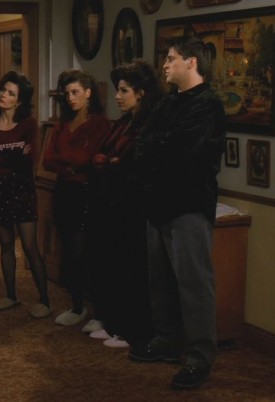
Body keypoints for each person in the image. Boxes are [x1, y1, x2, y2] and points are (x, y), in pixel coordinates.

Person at [128, 37, 226, 390]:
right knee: (161, 280)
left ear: (192, 62)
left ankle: (199, 357)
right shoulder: (168, 104)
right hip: (158, 204)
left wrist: (158, 145)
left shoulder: (208, 105)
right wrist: (158, 145)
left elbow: (185, 152)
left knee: (194, 284)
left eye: (171, 58)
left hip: (188, 205)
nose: (165, 65)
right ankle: (166, 340)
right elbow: (141, 142)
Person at [86, 60, 163, 349]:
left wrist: (110, 163)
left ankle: (134, 331)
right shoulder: (123, 122)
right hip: (112, 204)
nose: (117, 96)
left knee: (133, 269)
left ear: (141, 93)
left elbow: (130, 165)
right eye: (118, 90)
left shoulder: (147, 124)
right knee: (114, 267)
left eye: (124, 91)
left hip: (133, 207)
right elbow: (100, 157)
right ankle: (115, 323)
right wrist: (109, 162)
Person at [0, 70, 52, 319]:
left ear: (19, 101)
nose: (4, 95)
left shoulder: (28, 125)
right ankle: (11, 295)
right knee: (6, 245)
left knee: (30, 246)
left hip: (23, 191)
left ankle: (45, 300)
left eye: (11, 93)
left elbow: (29, 162)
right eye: (3, 90)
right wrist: (13, 158)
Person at [42, 69, 109, 327]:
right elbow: (48, 160)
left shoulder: (99, 124)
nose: (71, 98)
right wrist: (70, 165)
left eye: (76, 92)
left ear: (88, 93)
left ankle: (100, 313)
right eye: (67, 93)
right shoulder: (61, 124)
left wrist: (67, 162)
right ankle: (77, 306)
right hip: (64, 192)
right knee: (68, 252)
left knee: (87, 253)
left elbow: (84, 160)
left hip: (87, 194)